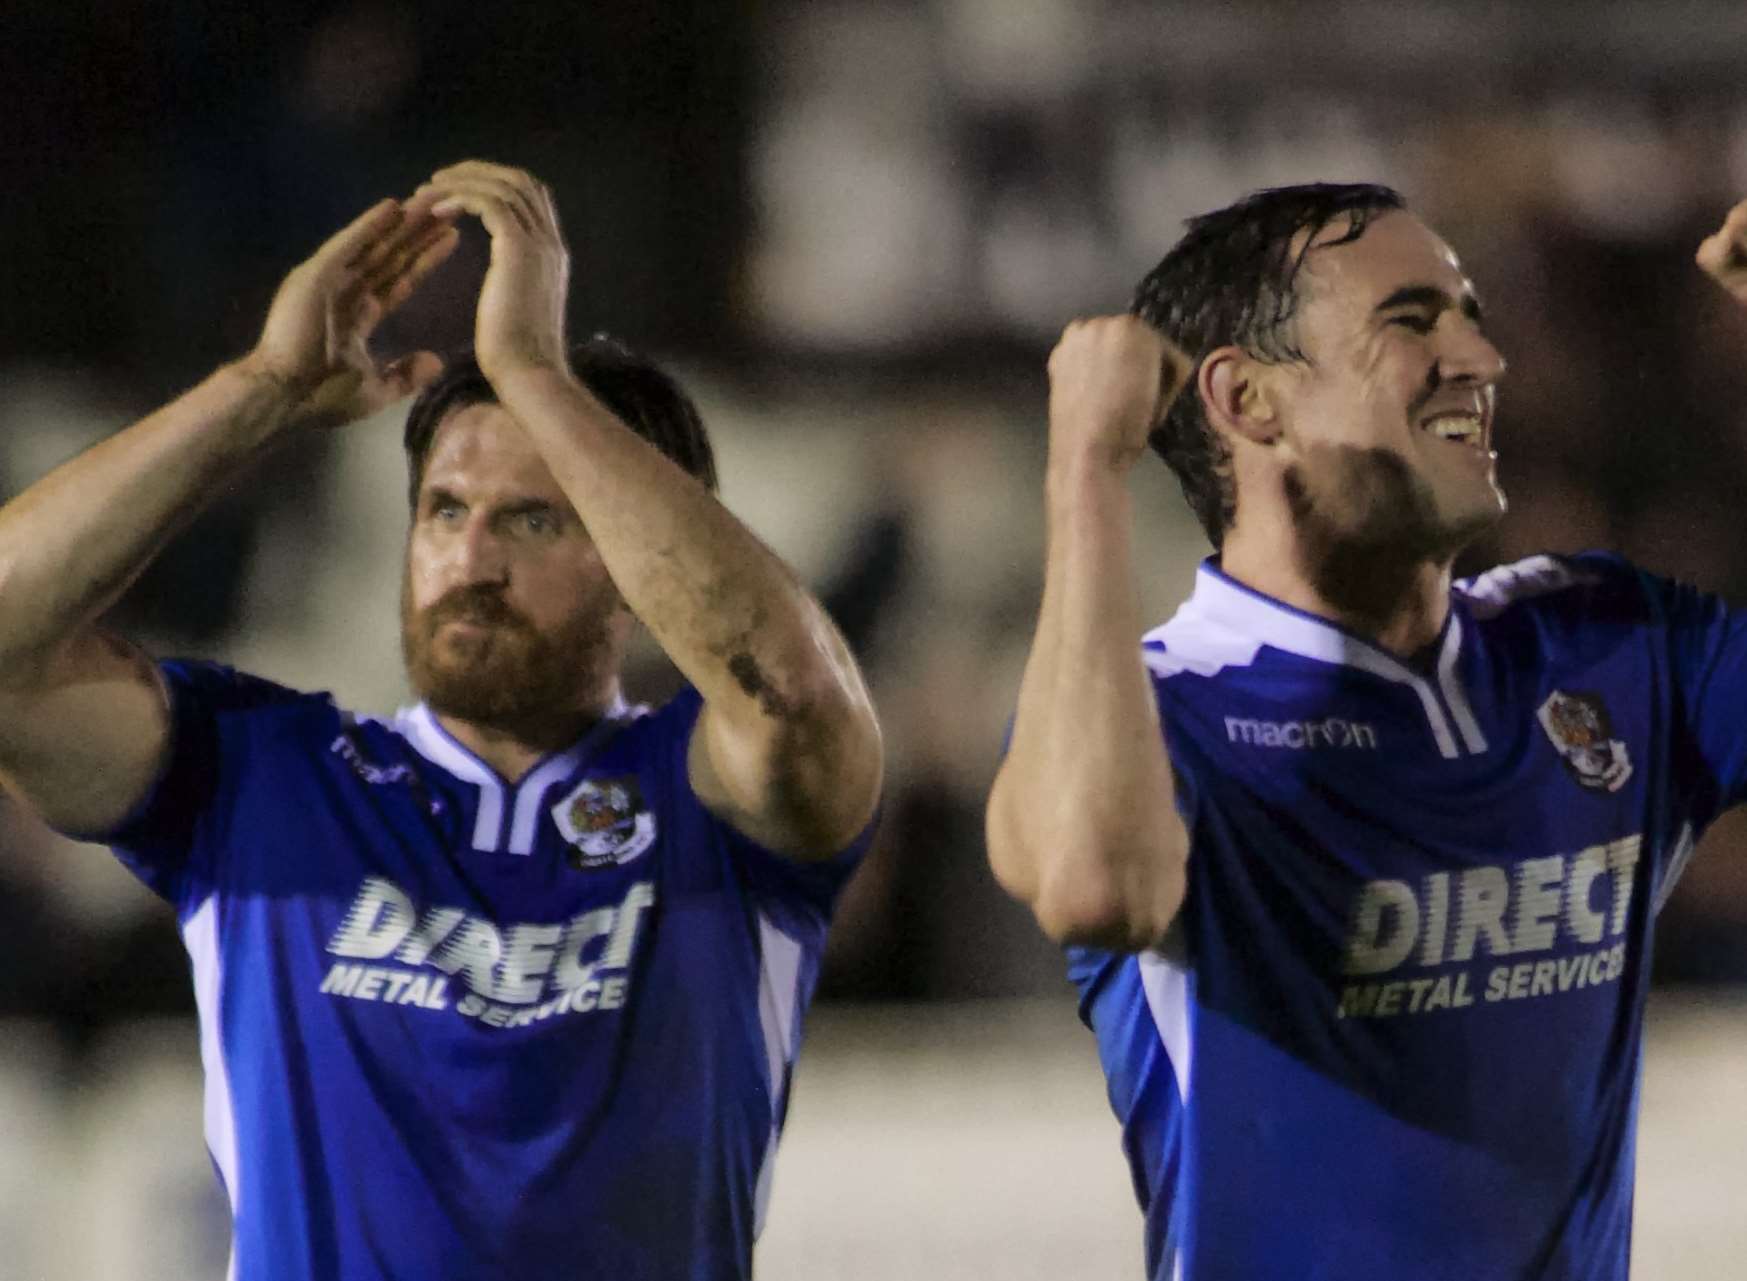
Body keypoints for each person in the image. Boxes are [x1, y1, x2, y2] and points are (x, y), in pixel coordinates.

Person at [0, 160, 883, 1280]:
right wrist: (263, 387)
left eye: (532, 520)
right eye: (444, 512)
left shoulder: (716, 799)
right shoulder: (258, 777)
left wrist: (533, 372)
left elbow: (796, 695)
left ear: (635, 564)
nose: (470, 561)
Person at [986, 181, 1747, 1280]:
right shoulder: (1161, 709)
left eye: (1470, 314)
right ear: (1247, 400)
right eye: (1411, 320)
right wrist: (1083, 470)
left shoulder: (1605, 646)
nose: (1480, 361)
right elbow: (1090, 886)